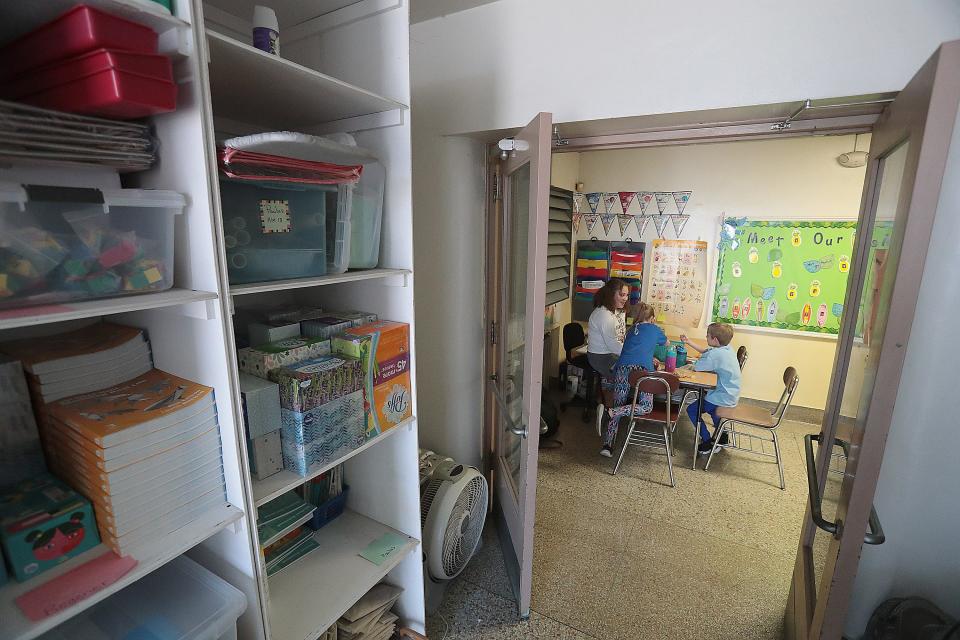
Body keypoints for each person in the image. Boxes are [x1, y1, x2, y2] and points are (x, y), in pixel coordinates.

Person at [598, 302, 667, 457]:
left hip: (622, 368)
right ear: (652, 318)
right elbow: (666, 343)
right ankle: (612, 411)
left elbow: (635, 349)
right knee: (646, 407)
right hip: (642, 371)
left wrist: (650, 355)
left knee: (618, 402)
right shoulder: (655, 329)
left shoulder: (630, 331)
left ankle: (607, 446)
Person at [680, 323, 741, 455]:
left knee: (692, 410)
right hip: (731, 394)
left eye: (707, 335)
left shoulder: (715, 355)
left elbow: (698, 367)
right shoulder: (727, 349)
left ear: (715, 340)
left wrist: (689, 363)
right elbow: (707, 351)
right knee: (714, 410)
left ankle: (707, 441)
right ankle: (722, 437)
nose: (705, 337)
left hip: (721, 396)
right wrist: (689, 342)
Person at [586, 279, 629, 433]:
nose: (625, 298)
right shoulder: (604, 316)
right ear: (612, 294)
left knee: (625, 369)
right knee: (628, 371)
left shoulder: (611, 312)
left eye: (626, 295)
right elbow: (615, 347)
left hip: (606, 355)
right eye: (622, 294)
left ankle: (607, 407)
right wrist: (633, 355)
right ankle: (609, 411)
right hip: (601, 358)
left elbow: (618, 341)